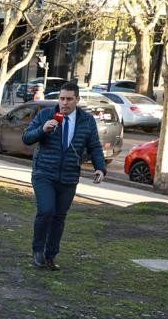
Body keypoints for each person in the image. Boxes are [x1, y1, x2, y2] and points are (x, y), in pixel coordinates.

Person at [22, 82, 106, 270]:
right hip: (44, 173)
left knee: (59, 217)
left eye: (69, 99)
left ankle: (51, 255)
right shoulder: (46, 115)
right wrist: (42, 129)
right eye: (61, 98)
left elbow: (94, 146)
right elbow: (27, 138)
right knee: (46, 211)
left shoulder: (86, 120)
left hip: (69, 177)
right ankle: (37, 251)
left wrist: (100, 168)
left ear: (77, 99)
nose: (64, 103)